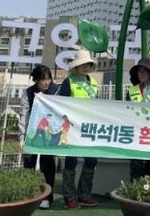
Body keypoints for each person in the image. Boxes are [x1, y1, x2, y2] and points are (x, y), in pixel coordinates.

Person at [58, 47, 99, 210]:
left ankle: (84, 194)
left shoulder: (94, 83)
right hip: (72, 127)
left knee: (92, 160)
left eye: (88, 64)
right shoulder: (69, 81)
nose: (85, 67)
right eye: (82, 64)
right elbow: (62, 104)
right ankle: (69, 196)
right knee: (71, 160)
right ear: (76, 66)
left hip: (89, 127)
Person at [18, 64, 59, 210]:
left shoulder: (56, 91)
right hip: (32, 131)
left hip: (49, 132)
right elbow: (24, 116)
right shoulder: (28, 93)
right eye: (43, 79)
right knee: (29, 163)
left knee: (48, 164)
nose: (47, 82)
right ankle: (29, 195)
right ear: (36, 80)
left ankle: (47, 198)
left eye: (49, 79)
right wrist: (22, 138)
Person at [126, 58, 150, 180]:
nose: (142, 73)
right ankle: (134, 190)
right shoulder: (131, 90)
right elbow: (126, 111)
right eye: (139, 71)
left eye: (144, 71)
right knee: (136, 166)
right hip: (136, 133)